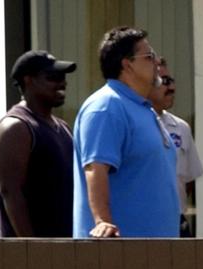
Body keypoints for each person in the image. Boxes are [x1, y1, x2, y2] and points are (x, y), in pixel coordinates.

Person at [72, 26, 180, 238]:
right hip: (118, 257)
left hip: (155, 254)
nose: (157, 63)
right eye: (149, 56)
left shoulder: (142, 108)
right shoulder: (106, 107)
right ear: (127, 64)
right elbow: (95, 169)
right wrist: (103, 222)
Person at [0, 50, 76, 237]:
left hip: (66, 249)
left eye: (63, 77)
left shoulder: (64, 128)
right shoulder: (15, 128)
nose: (62, 82)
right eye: (53, 77)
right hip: (32, 256)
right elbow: (10, 192)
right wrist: (32, 248)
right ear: (29, 80)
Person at [147, 59, 203, 237]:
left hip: (177, 221)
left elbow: (187, 181)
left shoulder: (181, 128)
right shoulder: (134, 123)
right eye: (165, 81)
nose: (171, 87)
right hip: (146, 222)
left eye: (172, 81)